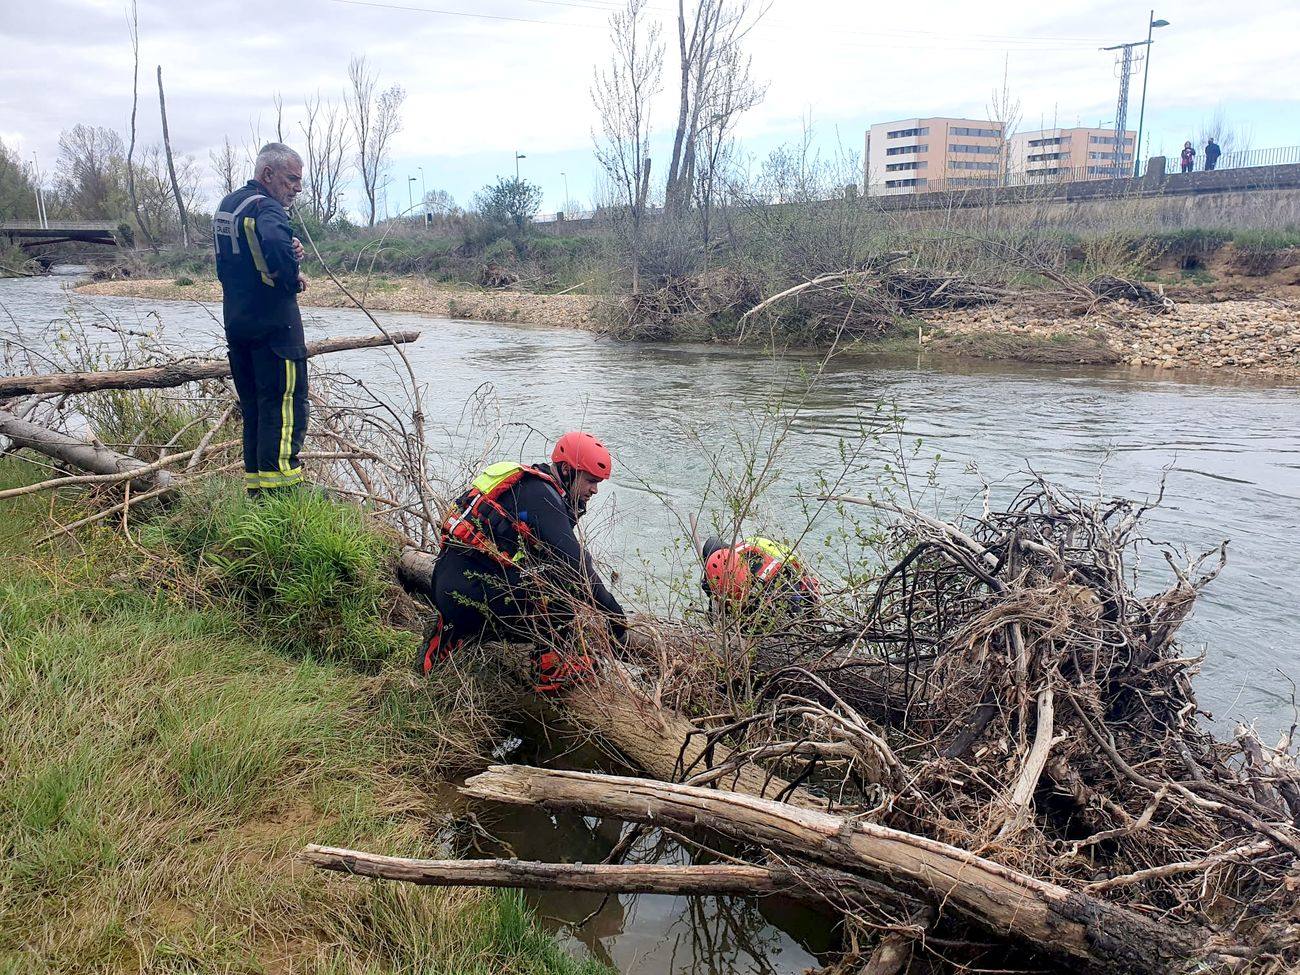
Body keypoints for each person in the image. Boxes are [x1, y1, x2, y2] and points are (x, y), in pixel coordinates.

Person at [420, 432, 626, 692]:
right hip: (478, 599)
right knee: (564, 581)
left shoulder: (527, 485)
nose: (594, 490)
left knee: (542, 566)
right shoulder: (544, 497)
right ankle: (550, 668)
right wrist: (613, 615)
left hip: (445, 586)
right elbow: (577, 567)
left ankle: (453, 632)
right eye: (590, 481)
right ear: (566, 470)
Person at [213, 142, 310, 495]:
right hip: (276, 331)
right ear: (268, 174)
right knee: (285, 410)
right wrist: (292, 276)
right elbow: (271, 241)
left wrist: (288, 246)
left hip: (238, 324)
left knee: (254, 410)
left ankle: (257, 492)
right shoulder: (267, 208)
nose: (296, 188)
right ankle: (282, 496)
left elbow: (232, 260)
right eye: (291, 179)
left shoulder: (229, 206)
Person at [700, 535, 820, 624]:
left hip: (788, 577)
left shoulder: (777, 580)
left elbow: (796, 617)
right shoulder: (723, 559)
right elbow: (712, 543)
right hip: (755, 553)